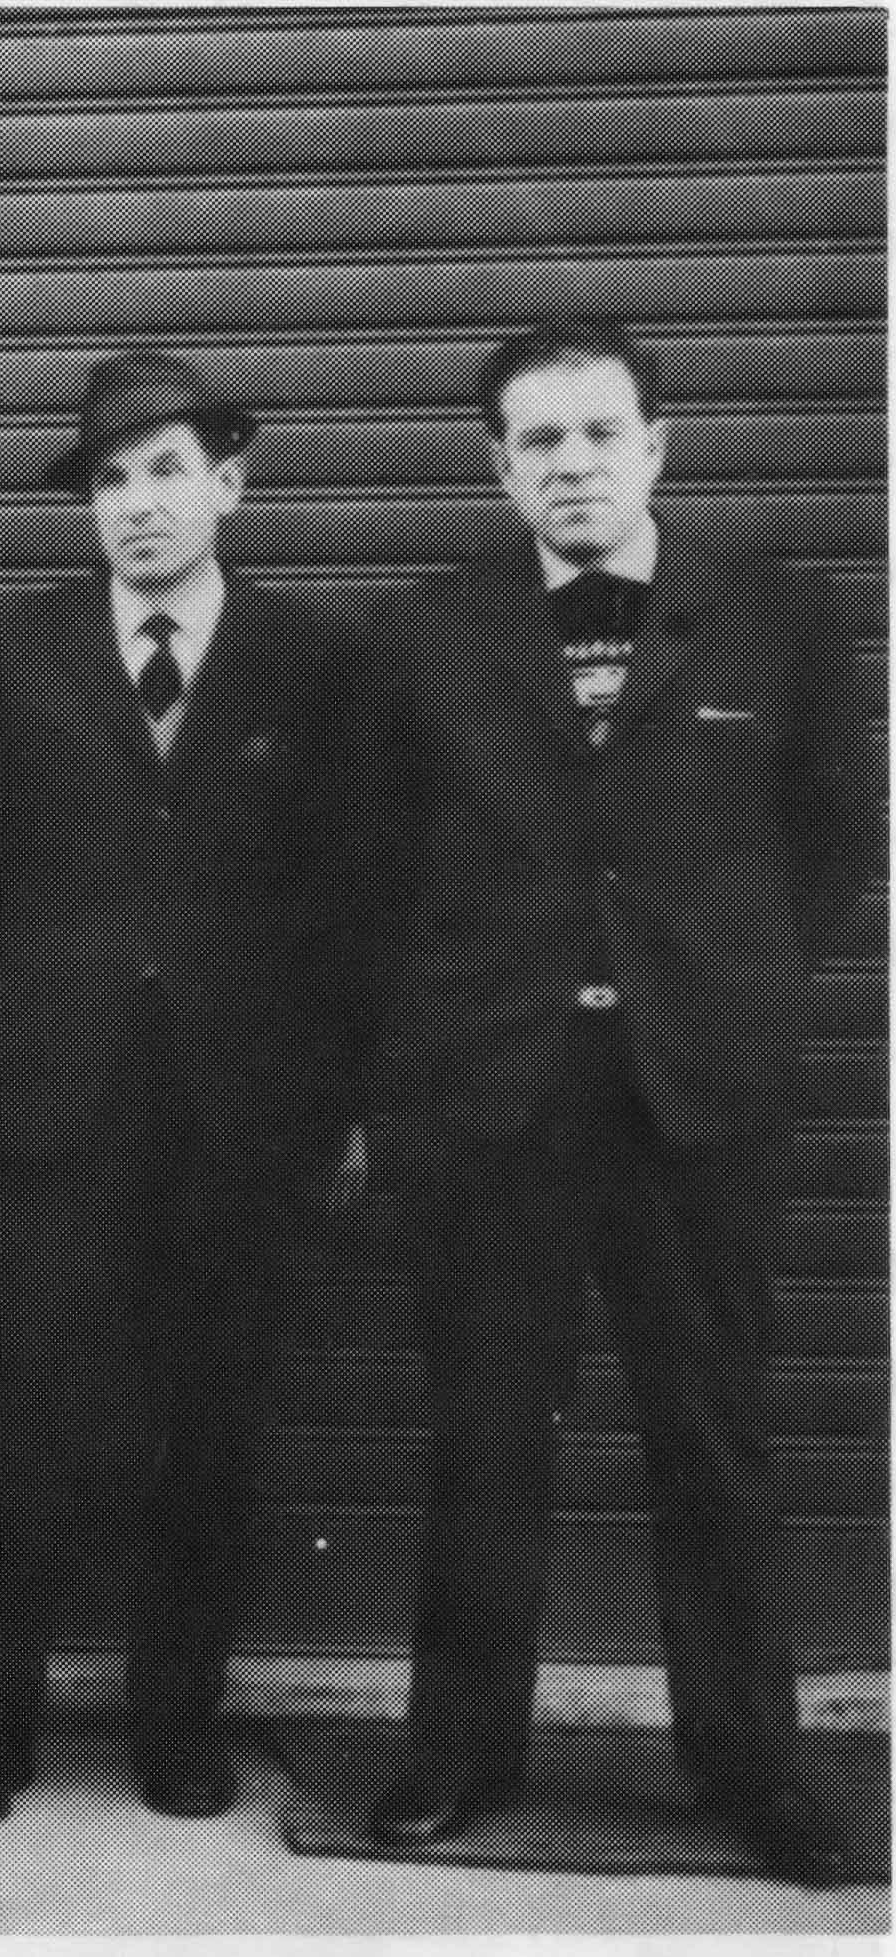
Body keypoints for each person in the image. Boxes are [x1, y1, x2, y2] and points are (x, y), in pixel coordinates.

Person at [363, 320, 871, 1886]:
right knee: (484, 1434)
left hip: (692, 1101)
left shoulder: (776, 616)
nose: (570, 464)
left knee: (711, 1435)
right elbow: (370, 875)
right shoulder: (423, 633)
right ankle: (457, 1753)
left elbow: (829, 847)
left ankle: (748, 1763)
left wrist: (712, 990)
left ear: (656, 444)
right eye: (538, 441)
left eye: (598, 433)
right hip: (496, 1101)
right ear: (495, 467)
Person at [0, 352, 376, 1829]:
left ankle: (177, 1721)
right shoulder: (13, 655)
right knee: (21, 1418)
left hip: (240, 1117)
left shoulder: (315, 659)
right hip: (50, 1104)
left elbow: (353, 903)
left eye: (166, 470)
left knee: (213, 1424)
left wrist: (344, 1104)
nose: (137, 504)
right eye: (109, 479)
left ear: (228, 482)